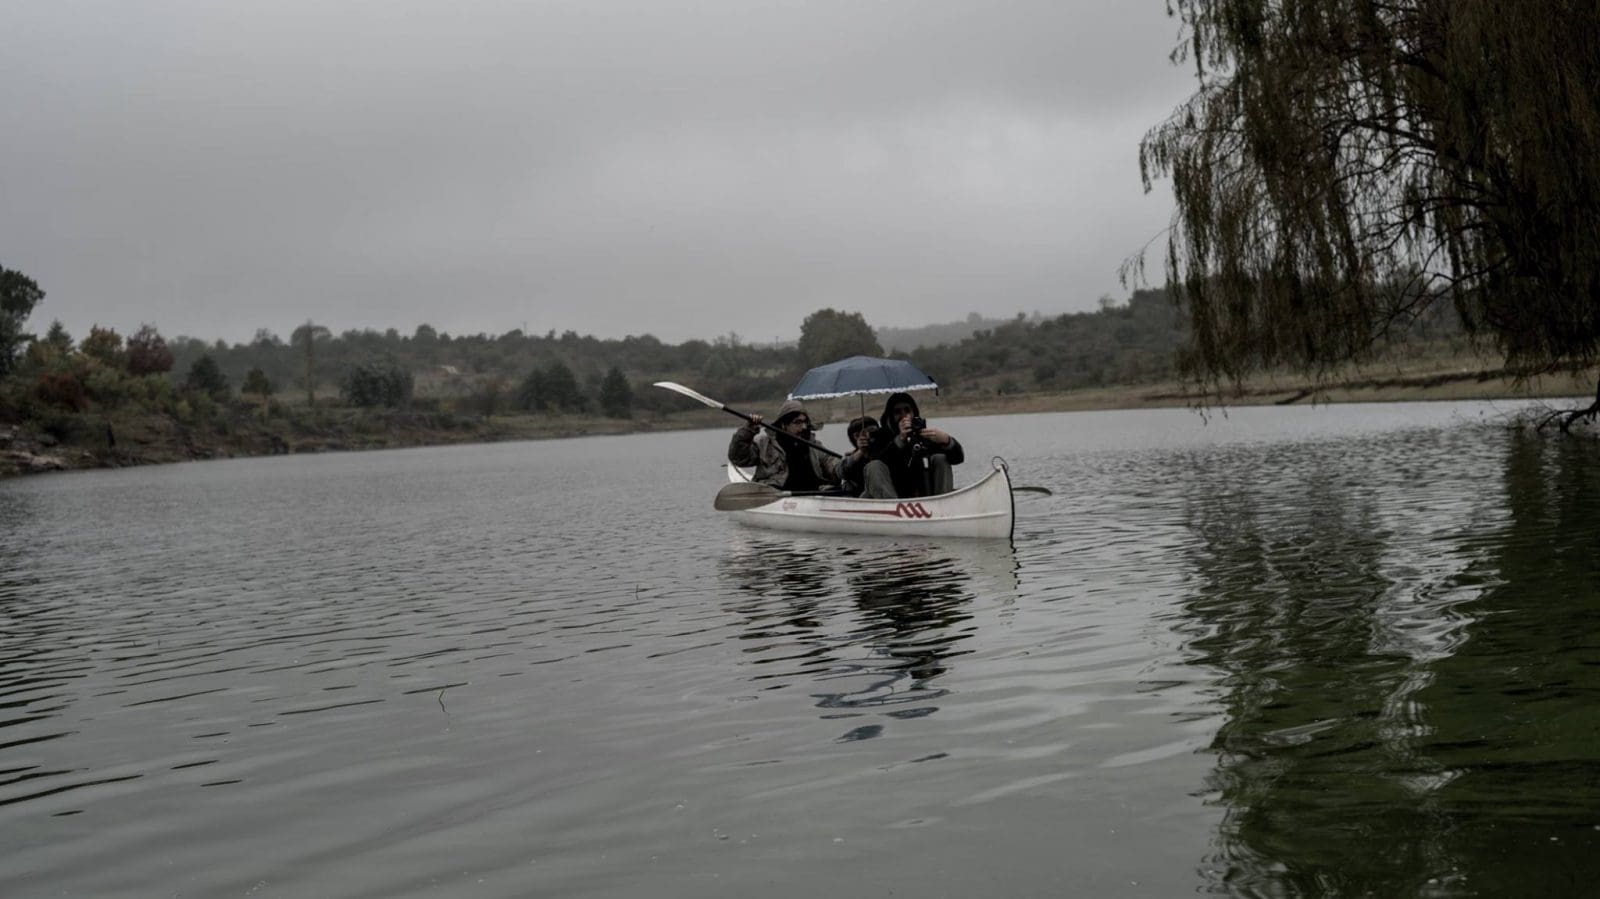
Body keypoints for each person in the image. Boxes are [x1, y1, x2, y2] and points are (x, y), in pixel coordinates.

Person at [728, 399, 853, 491]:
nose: (803, 427)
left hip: (812, 494)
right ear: (783, 425)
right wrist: (748, 430)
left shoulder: (814, 445)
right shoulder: (764, 443)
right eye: (797, 422)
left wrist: (850, 462)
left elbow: (831, 463)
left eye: (805, 422)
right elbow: (738, 458)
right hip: (778, 495)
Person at [871, 391, 964, 497]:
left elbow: (957, 458)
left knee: (940, 458)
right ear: (891, 416)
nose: (903, 415)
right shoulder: (880, 436)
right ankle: (892, 508)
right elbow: (878, 464)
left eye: (907, 410)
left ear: (914, 412)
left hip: (926, 493)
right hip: (894, 495)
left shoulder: (924, 435)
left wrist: (947, 441)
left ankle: (943, 501)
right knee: (875, 465)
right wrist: (900, 440)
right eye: (897, 412)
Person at [839, 415, 897, 498]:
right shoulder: (852, 456)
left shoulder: (889, 449)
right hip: (865, 500)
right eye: (857, 435)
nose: (866, 436)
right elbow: (841, 472)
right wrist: (861, 452)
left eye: (871, 430)